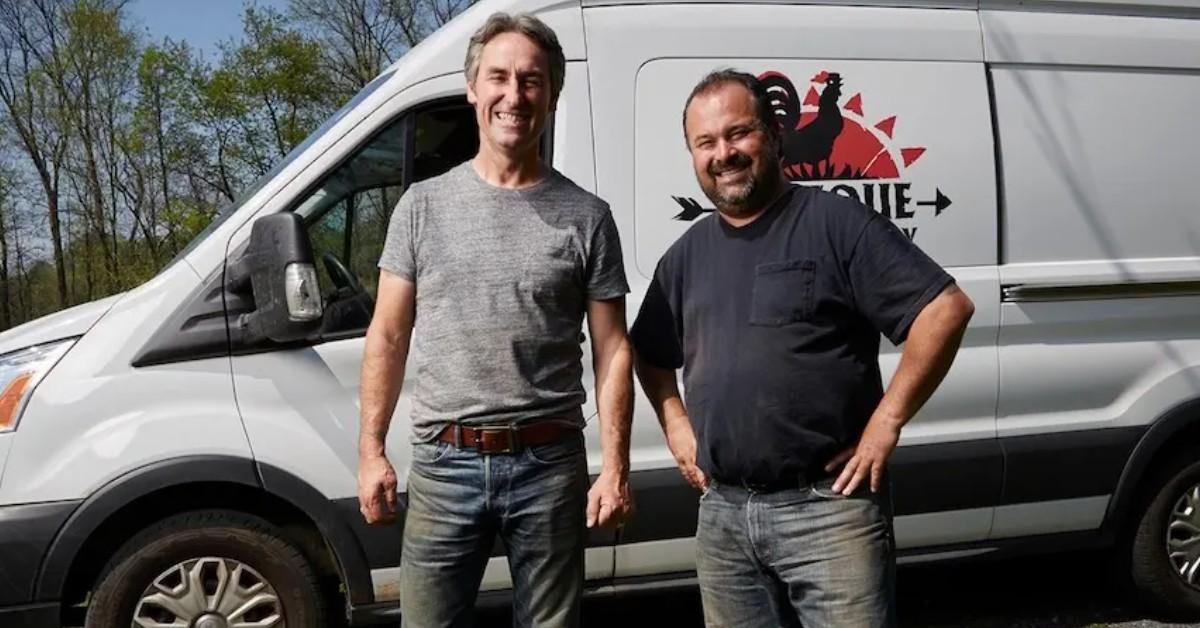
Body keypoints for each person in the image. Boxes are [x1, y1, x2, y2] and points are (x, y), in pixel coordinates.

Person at [630, 69, 975, 628]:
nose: (724, 153)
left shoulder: (836, 223)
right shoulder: (685, 256)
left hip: (829, 511)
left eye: (738, 133)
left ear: (773, 135)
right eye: (706, 142)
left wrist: (886, 422)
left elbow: (944, 310)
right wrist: (675, 425)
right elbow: (648, 351)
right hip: (723, 514)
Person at [356, 12, 634, 628]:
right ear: (472, 88)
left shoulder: (587, 217)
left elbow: (614, 349)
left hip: (549, 465)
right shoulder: (420, 207)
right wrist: (371, 450)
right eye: (499, 77)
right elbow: (389, 335)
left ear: (552, 95)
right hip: (443, 463)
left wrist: (615, 469)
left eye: (532, 81)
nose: (515, 95)